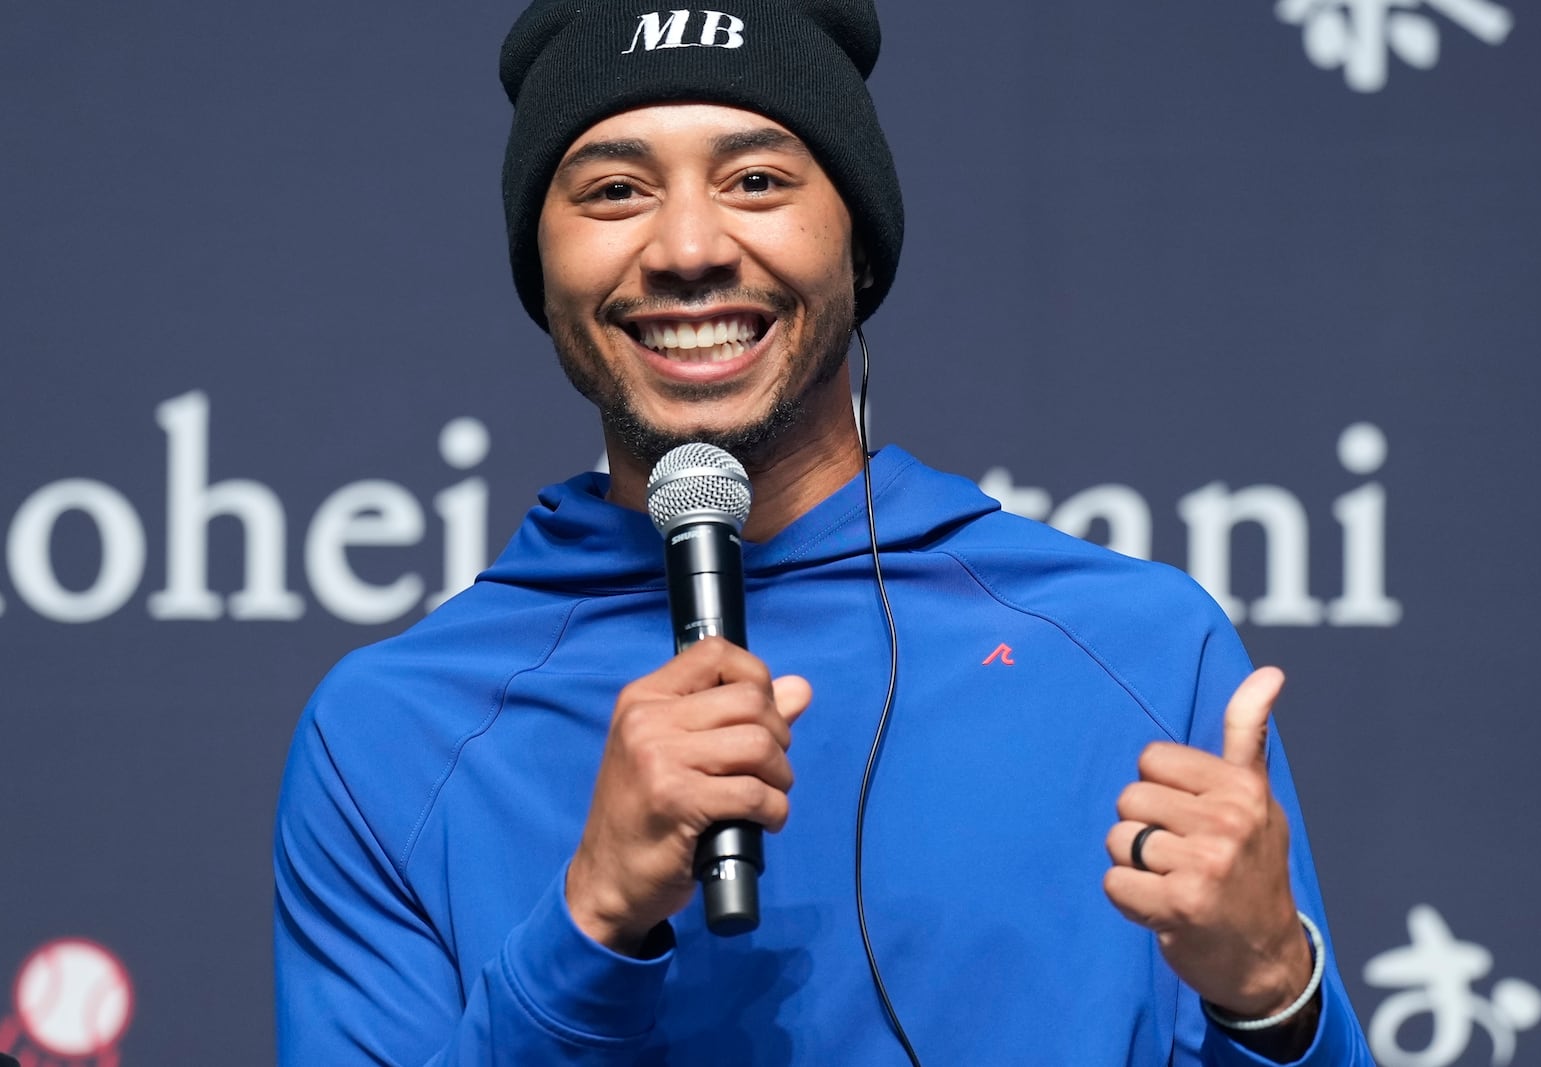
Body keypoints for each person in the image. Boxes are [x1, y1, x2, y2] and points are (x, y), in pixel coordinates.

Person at [274, 1, 1375, 1063]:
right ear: (540, 265)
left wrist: (1275, 998)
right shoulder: (389, 731)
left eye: (756, 180)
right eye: (614, 189)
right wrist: (592, 917)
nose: (688, 247)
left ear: (858, 242)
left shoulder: (1132, 648)